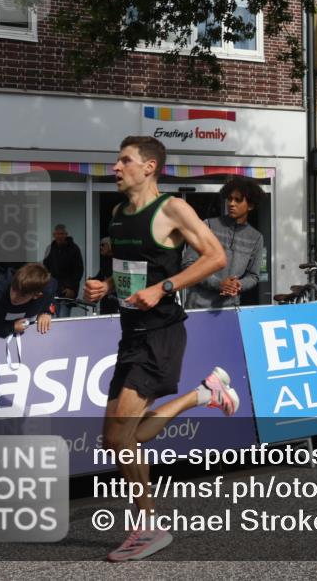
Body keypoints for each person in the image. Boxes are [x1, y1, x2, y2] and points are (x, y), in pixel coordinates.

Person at [82, 135, 235, 563]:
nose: (115, 167)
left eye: (124, 160)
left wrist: (165, 287)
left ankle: (148, 528)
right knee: (119, 439)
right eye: (116, 160)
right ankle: (201, 395)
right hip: (131, 332)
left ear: (149, 167)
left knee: (117, 436)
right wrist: (105, 286)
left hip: (161, 332)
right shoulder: (117, 213)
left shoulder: (172, 209)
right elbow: (129, 271)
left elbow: (216, 256)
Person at [182, 176, 264, 309]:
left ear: (250, 205)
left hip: (231, 309)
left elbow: (253, 276)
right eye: (230, 198)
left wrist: (238, 285)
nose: (231, 203)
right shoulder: (208, 225)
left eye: (238, 200)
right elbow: (188, 264)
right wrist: (218, 283)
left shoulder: (256, 238)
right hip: (198, 307)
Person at [0, 263, 55, 337]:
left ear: (36, 296)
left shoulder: (47, 290)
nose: (14, 297)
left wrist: (46, 312)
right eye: (13, 289)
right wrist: (11, 327)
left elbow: (52, 289)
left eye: (22, 295)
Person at [43, 224, 84, 316]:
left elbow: (78, 270)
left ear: (66, 234)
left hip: (68, 291)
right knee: (54, 317)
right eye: (57, 234)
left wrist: (71, 288)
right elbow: (45, 269)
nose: (60, 236)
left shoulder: (74, 248)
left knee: (63, 316)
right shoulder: (50, 249)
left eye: (62, 234)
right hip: (53, 290)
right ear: (54, 235)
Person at [93, 237, 119, 314]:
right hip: (106, 299)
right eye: (100, 245)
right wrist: (93, 280)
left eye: (103, 245)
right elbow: (101, 275)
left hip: (116, 298)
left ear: (110, 245)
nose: (100, 247)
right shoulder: (105, 260)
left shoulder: (117, 259)